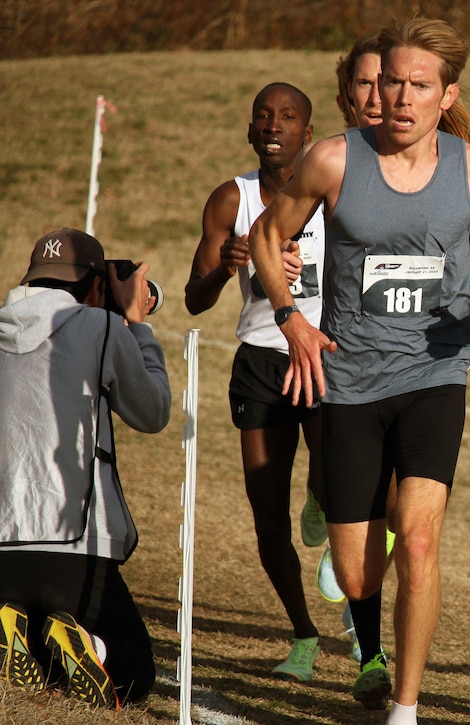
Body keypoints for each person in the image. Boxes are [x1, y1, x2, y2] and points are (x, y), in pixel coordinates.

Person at [247, 18, 470, 725]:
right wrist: (290, 316)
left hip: (434, 376)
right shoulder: (333, 160)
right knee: (354, 573)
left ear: (447, 95)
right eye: (391, 83)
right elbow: (266, 235)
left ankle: (405, 709)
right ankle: (352, 558)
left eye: (418, 85)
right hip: (349, 380)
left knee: (418, 538)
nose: (401, 97)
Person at [185, 82, 328, 682]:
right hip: (262, 366)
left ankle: (325, 497)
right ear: (250, 131)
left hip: (326, 358)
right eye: (263, 117)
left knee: (348, 493)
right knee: (267, 515)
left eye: (288, 117)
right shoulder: (231, 199)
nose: (274, 125)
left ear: (307, 134)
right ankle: (303, 637)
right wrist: (229, 261)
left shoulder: (334, 189)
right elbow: (194, 298)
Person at [0, 229, 170, 708]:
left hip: (2, 543)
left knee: (36, 652)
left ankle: (19, 631)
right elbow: (152, 411)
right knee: (135, 666)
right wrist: (136, 322)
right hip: (74, 546)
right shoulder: (103, 329)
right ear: (96, 287)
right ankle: (90, 646)